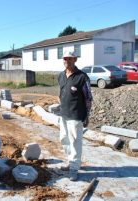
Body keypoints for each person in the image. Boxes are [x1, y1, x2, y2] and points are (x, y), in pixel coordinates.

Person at [58, 51, 93, 181]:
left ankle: (74, 168)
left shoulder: (82, 77)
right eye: (65, 58)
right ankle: (70, 161)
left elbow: (88, 98)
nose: (67, 60)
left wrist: (87, 115)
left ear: (75, 60)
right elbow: (61, 93)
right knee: (64, 139)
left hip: (76, 115)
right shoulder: (61, 76)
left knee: (75, 142)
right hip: (64, 115)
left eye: (70, 58)